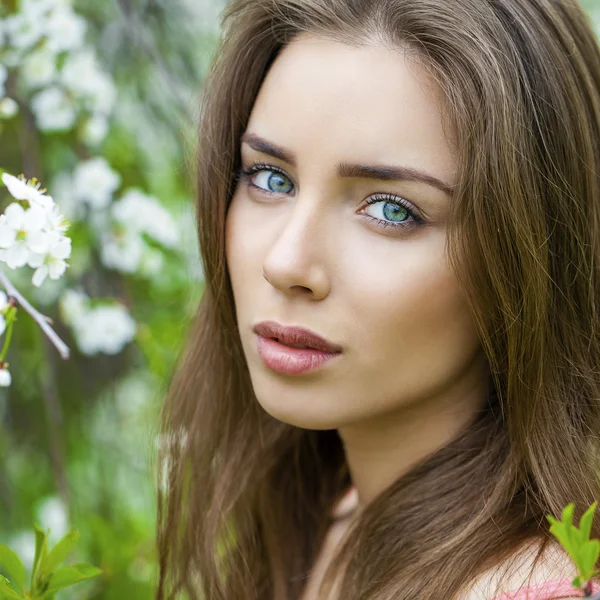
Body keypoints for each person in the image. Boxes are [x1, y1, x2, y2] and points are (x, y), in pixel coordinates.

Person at [155, 0, 600, 598]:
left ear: (529, 257)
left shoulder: (534, 586)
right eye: (269, 179)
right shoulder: (324, 517)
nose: (286, 263)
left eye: (392, 210)